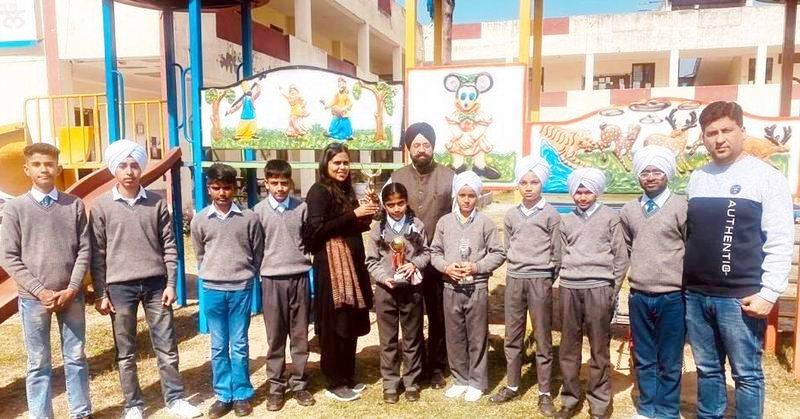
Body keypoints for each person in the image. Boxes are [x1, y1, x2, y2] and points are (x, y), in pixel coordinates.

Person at [684, 101, 793, 419]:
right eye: (711, 133)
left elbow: (780, 238)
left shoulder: (766, 177)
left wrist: (769, 293)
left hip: (741, 298)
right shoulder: (698, 177)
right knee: (707, 369)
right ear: (703, 138)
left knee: (746, 374)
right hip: (697, 296)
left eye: (726, 130)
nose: (719, 139)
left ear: (742, 131)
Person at [90, 139, 201, 419]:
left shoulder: (156, 202)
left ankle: (175, 399)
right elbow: (97, 254)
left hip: (155, 286)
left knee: (166, 346)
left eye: (134, 165)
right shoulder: (101, 206)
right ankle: (133, 406)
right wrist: (101, 293)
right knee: (126, 351)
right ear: (114, 169)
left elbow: (170, 246)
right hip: (119, 288)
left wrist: (171, 284)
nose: (129, 171)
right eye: (123, 166)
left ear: (141, 168)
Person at [0, 143, 92, 419]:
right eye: (37, 164)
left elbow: (85, 249)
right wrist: (40, 291)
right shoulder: (15, 209)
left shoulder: (74, 205)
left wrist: (72, 288)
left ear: (58, 168)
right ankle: (41, 415)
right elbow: (9, 256)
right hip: (33, 300)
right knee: (38, 362)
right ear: (27, 169)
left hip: (71, 296)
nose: (44, 169)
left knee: (76, 356)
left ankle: (81, 412)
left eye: (49, 164)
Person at [301, 142, 378, 401]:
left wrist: (366, 214)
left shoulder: (345, 190)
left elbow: (351, 226)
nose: (342, 167)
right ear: (326, 164)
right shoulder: (318, 191)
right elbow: (317, 231)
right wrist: (354, 214)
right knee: (334, 324)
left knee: (350, 320)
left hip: (352, 263)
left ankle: (347, 374)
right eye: (337, 163)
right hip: (331, 267)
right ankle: (334, 381)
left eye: (345, 162)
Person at [190, 163, 264, 418]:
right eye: (216, 188)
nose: (222, 193)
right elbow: (200, 253)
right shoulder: (200, 220)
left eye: (227, 188)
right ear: (208, 189)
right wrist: (211, 272)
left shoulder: (248, 218)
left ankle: (242, 394)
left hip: (241, 288)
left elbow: (257, 251)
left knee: (239, 343)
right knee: (218, 344)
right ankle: (223, 395)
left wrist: (247, 274)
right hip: (212, 289)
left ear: (236, 188)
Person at [619, 145, 687, 419]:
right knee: (645, 358)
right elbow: (625, 249)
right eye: (645, 172)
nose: (650, 177)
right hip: (639, 295)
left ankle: (668, 411)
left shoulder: (682, 207)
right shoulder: (629, 210)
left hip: (672, 296)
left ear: (667, 173)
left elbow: (691, 248)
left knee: (670, 360)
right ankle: (647, 409)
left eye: (656, 171)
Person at [489, 156, 560, 417]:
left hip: (540, 279)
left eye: (534, 182)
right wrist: (517, 270)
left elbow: (557, 254)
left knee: (542, 336)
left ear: (542, 184)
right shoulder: (511, 215)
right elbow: (509, 246)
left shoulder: (551, 215)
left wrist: (545, 277)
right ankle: (512, 385)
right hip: (515, 279)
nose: (529, 187)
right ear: (518, 185)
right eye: (524, 182)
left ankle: (544, 392)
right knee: (513, 334)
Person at [556, 168, 628, 419]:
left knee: (599, 347)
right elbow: (560, 255)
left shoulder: (610, 218)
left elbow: (621, 258)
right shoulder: (565, 220)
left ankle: (599, 402)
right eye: (578, 192)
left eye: (587, 192)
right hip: (570, 287)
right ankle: (569, 399)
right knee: (568, 346)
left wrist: (611, 290)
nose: (583, 197)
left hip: (599, 288)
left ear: (596, 192)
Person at [430, 171, 505, 402]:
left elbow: (499, 253)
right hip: (451, 287)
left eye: (471, 195)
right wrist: (446, 267)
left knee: (477, 335)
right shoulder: (444, 222)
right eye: (462, 195)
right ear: (455, 195)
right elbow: (434, 252)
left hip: (477, 288)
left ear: (477, 197)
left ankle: (477, 381)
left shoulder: (485, 223)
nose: (466, 200)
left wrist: (476, 267)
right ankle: (460, 379)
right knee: (454, 336)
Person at [390, 122, 454, 389]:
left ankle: (437, 365)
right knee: (412, 315)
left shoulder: (449, 176)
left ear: (433, 146)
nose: (421, 150)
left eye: (426, 144)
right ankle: (414, 366)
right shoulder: (397, 176)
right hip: (408, 260)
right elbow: (387, 214)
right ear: (409, 148)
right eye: (416, 145)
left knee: (438, 314)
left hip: (438, 258)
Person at [253, 160, 316, 411]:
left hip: (299, 277)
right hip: (271, 280)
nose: (280, 188)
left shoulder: (302, 208)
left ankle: (299, 383)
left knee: (299, 334)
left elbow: (308, 240)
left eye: (284, 183)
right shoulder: (258, 212)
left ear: (291, 182)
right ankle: (276, 387)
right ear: (266, 184)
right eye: (274, 183)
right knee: (275, 336)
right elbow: (256, 247)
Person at [365, 182, 430, 404]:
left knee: (412, 337)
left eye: (400, 203)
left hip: (411, 290)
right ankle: (390, 383)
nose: (396, 209)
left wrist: (414, 265)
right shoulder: (378, 229)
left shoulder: (416, 226)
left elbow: (426, 253)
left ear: (407, 202)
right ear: (384, 205)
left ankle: (411, 381)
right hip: (386, 290)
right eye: (391, 205)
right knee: (388, 340)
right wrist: (384, 277)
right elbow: (371, 261)